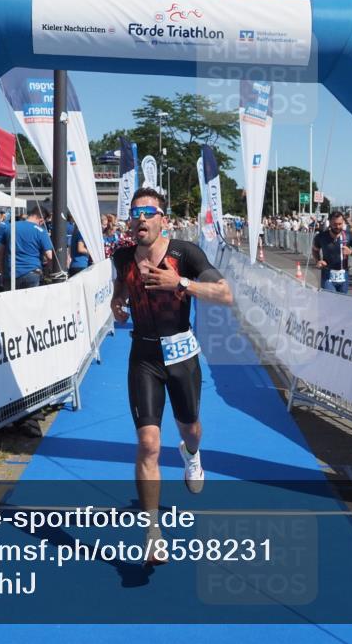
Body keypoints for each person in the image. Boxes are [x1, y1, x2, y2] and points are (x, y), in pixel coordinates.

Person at [110, 187, 233, 565]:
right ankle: (152, 533)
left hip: (181, 354)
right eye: (136, 213)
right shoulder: (123, 255)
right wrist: (118, 301)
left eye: (149, 212)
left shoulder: (185, 253)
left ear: (163, 218)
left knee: (189, 429)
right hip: (143, 354)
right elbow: (121, 284)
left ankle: (191, 454)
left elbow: (225, 294)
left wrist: (179, 283)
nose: (141, 218)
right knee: (148, 443)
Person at [0, 207, 54, 291]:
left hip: (11, 274)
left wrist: (3, 273)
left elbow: (0, 254)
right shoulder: (41, 231)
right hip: (32, 274)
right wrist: (51, 273)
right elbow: (49, 256)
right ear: (41, 220)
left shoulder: (10, 227)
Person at [312, 211, 352, 294]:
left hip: (343, 275)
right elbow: (315, 250)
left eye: (340, 224)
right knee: (331, 300)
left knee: (342, 303)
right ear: (330, 223)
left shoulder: (348, 236)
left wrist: (351, 252)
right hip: (327, 274)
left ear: (343, 222)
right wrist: (318, 261)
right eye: (335, 224)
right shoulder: (321, 237)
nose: (338, 226)